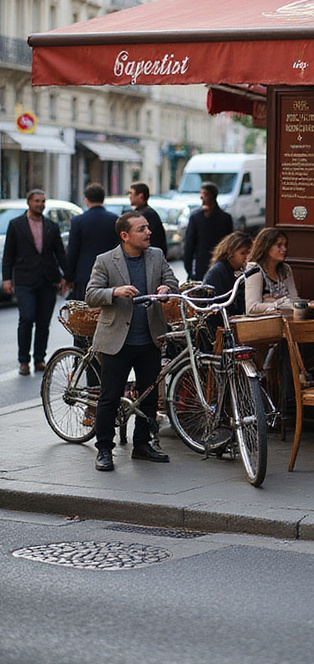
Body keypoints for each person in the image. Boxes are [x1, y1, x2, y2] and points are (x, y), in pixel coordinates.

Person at [86, 211, 179, 472]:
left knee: (148, 396)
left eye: (148, 228)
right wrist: (115, 291)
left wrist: (166, 289)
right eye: (142, 229)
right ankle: (104, 449)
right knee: (109, 397)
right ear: (125, 236)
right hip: (117, 340)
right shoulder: (105, 261)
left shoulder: (156, 255)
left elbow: (172, 280)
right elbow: (91, 294)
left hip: (150, 338)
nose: (148, 232)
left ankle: (142, 445)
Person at [2, 189, 71, 375]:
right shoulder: (16, 225)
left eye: (43, 201)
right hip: (25, 280)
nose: (40, 204)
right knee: (27, 317)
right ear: (29, 202)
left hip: (48, 280)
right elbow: (8, 254)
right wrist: (7, 278)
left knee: (43, 322)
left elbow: (59, 253)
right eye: (37, 201)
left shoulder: (51, 226)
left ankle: (39, 358)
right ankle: (23, 360)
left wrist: (67, 276)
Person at [66, 183, 119, 301]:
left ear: (86, 200)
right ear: (103, 198)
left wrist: (69, 277)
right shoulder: (115, 220)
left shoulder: (78, 221)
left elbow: (73, 251)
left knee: (86, 314)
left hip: (84, 274)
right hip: (110, 274)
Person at [182, 182, 234, 280]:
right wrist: (188, 267)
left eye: (205, 194)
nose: (202, 197)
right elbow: (189, 243)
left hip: (218, 263)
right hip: (200, 265)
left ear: (212, 196)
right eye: (201, 194)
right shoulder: (196, 217)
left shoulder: (225, 218)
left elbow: (229, 244)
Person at [244, 227, 299, 315]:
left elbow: (294, 299)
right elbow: (252, 307)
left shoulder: (285, 269)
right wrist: (280, 303)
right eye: (279, 245)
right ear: (266, 247)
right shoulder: (255, 270)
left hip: (287, 320)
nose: (284, 249)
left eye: (285, 245)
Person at [203, 231, 254, 317]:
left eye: (248, 253)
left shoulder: (235, 269)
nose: (246, 257)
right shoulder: (219, 272)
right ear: (230, 253)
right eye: (242, 253)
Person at [128, 182, 167, 257]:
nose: (129, 197)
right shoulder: (142, 212)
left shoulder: (146, 215)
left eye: (131, 193)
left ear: (140, 196)